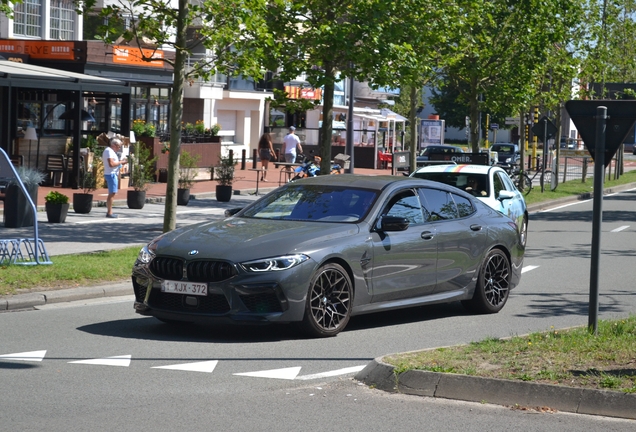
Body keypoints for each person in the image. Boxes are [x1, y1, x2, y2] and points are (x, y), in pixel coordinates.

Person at [102, 137, 127, 218]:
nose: (119, 148)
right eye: (119, 146)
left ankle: (109, 211)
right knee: (112, 193)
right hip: (111, 174)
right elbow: (111, 164)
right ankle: (109, 212)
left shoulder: (110, 151)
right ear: (114, 145)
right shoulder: (109, 151)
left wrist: (120, 164)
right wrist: (121, 162)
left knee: (112, 193)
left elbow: (113, 164)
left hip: (112, 173)